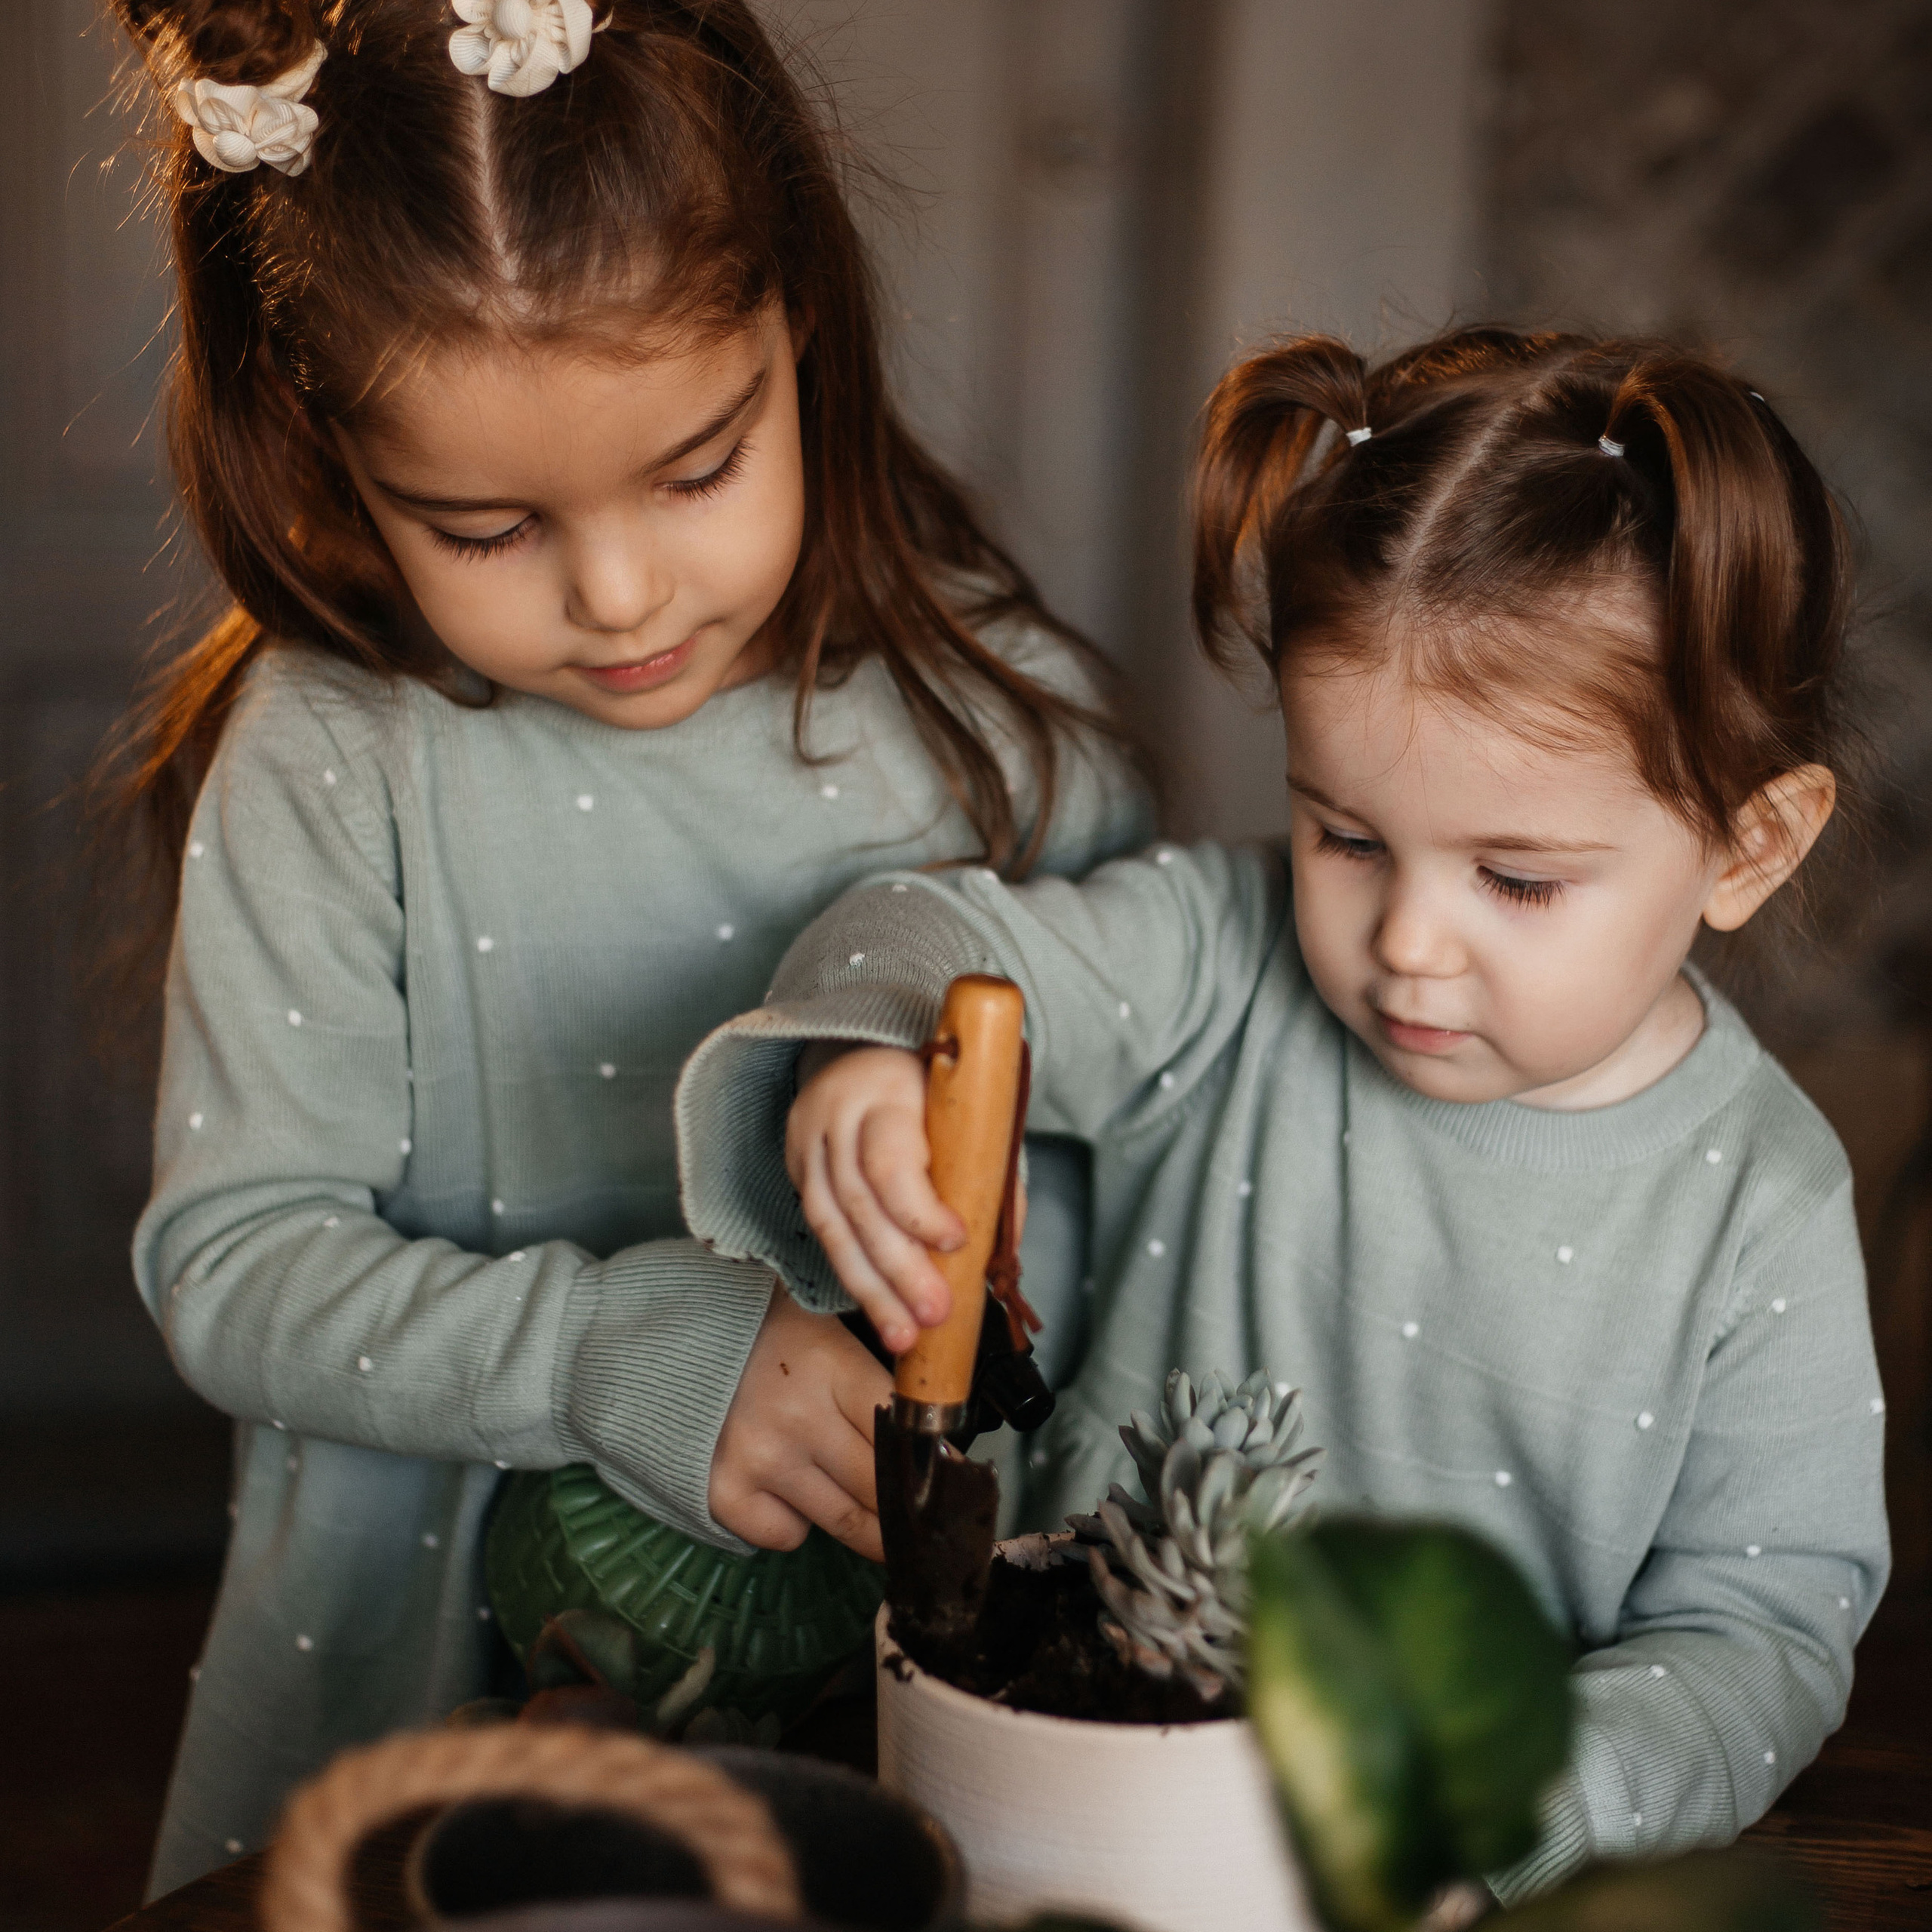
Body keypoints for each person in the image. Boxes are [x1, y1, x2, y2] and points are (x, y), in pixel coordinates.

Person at [109, 0, 1149, 1892]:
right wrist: (614, 1349)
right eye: (485, 524)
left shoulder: (1009, 732)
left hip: (928, 1709)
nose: (616, 591)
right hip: (423, 1694)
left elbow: (1147, 1199)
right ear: (322, 451)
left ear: (799, 325)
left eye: (696, 466)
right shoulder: (340, 760)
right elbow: (237, 1268)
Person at [676, 328, 1890, 1902]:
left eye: (1513, 876)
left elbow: (1761, 1632)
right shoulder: (1221, 959)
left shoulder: (1759, 1202)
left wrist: (1519, 1795)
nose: (1404, 940)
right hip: (1048, 1785)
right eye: (1345, 836)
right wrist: (876, 1055)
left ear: (1748, 842)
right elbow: (925, 933)